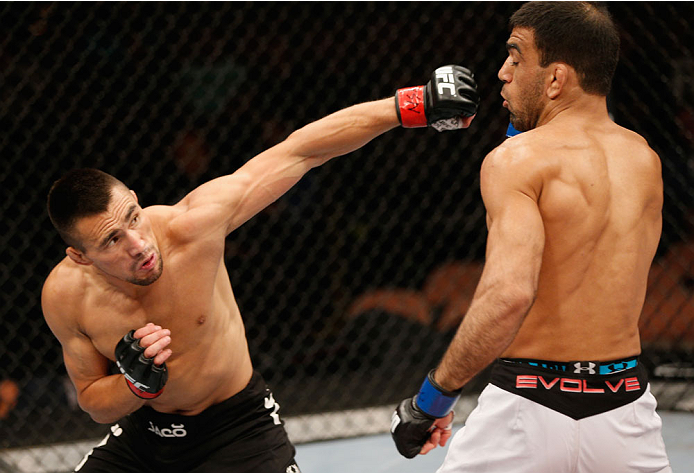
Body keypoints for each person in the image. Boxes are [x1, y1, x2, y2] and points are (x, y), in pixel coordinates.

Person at [41, 66, 478, 473]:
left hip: (238, 429)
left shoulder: (192, 228)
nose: (138, 245)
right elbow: (94, 403)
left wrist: (413, 104)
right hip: (145, 437)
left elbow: (302, 151)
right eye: (112, 240)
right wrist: (134, 387)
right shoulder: (65, 296)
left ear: (136, 198)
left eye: (134, 217)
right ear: (80, 256)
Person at [390, 2, 672, 472]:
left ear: (556, 78)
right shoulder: (645, 161)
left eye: (516, 58)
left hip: (527, 411)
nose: (502, 72)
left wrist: (431, 401)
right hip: (626, 413)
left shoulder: (516, 161)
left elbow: (509, 295)